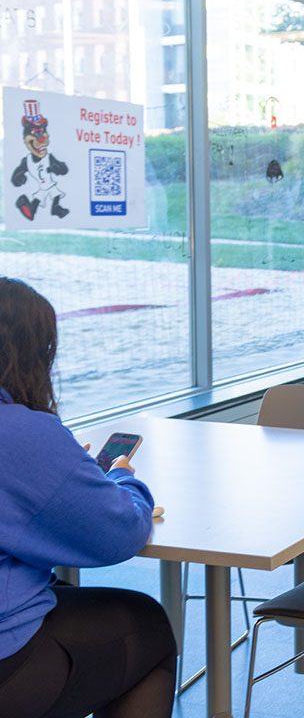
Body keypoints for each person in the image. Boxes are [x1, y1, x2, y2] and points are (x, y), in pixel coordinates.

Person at [0, 278, 176, 718]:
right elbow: (117, 534)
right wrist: (122, 478)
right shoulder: (22, 433)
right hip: (7, 664)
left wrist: (60, 471)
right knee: (148, 628)